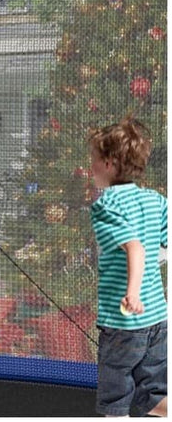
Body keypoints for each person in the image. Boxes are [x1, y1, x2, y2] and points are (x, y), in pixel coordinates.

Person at [88, 117, 167, 417]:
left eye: (93, 161)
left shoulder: (106, 205)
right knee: (155, 396)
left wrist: (133, 294)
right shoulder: (154, 200)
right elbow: (163, 245)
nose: (90, 168)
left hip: (123, 325)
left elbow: (134, 247)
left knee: (115, 398)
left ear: (109, 164)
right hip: (158, 318)